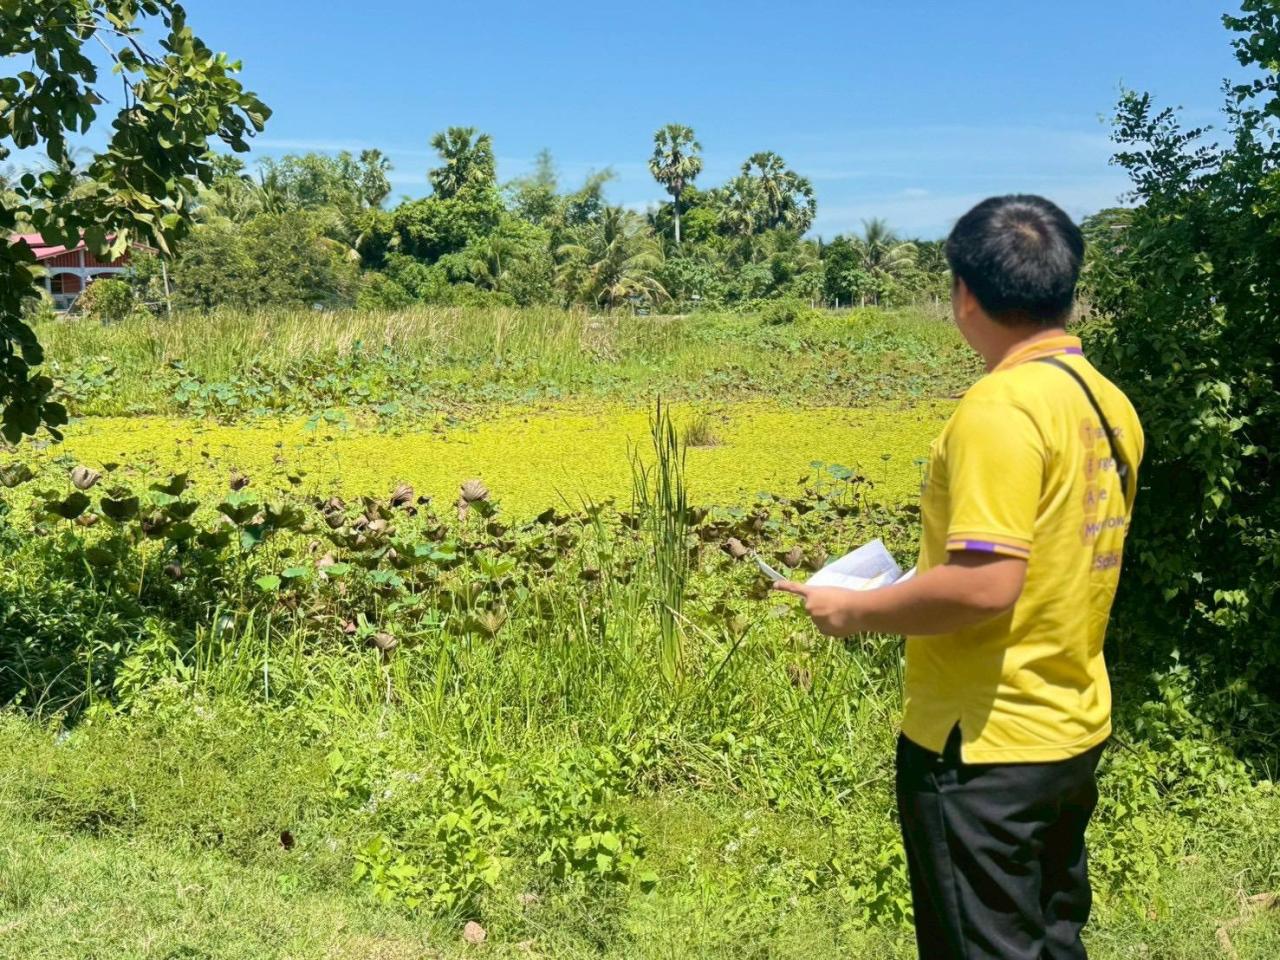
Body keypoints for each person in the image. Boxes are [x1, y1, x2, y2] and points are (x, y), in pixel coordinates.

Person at [776, 195, 1143, 960]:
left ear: (965, 295)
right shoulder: (1104, 402)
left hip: (983, 747)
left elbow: (985, 586)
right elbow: (1038, 557)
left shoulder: (1000, 409)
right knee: (1048, 935)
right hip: (1069, 723)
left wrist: (852, 611)